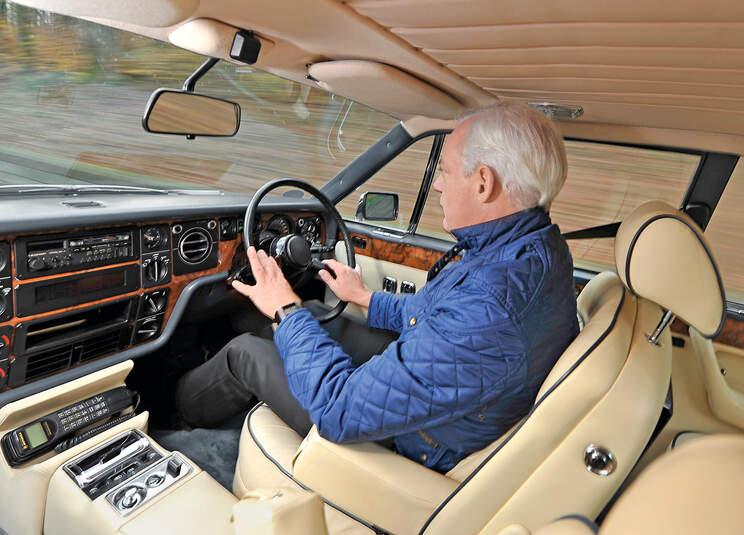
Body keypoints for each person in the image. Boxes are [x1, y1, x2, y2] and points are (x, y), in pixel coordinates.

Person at [175, 102, 579, 473]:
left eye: (445, 171)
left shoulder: (491, 302)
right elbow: (435, 314)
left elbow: (340, 409)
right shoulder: (528, 250)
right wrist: (365, 298)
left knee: (245, 353)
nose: (437, 184)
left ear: (483, 183)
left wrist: (284, 309)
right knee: (317, 315)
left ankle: (172, 420)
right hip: (452, 404)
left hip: (416, 441)